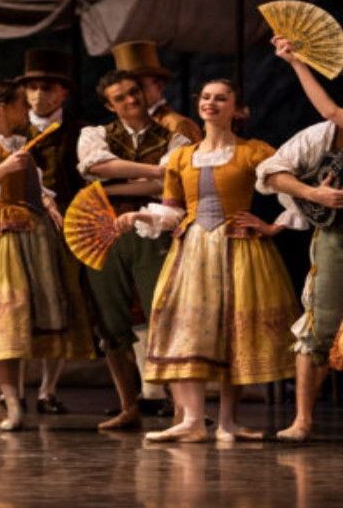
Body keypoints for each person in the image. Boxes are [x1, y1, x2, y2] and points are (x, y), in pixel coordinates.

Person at [120, 79, 297, 442]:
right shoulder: (182, 157)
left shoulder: (255, 151)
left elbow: (292, 191)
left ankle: (228, 422)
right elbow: (171, 213)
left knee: (233, 330)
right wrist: (141, 217)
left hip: (239, 248)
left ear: (237, 109)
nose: (211, 103)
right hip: (193, 249)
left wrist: (272, 226)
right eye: (205, 97)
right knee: (186, 326)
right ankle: (193, 420)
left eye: (221, 98)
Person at [0, 80, 84, 431]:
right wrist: (0, 171)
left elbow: (34, 182)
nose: (29, 109)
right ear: (3, 108)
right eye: (23, 103)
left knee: (22, 324)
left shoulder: (20, 143)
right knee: (5, 322)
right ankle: (8, 402)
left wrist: (49, 201)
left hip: (31, 233)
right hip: (2, 239)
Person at [76, 70, 190, 430]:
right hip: (103, 232)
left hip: (152, 229)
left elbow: (173, 182)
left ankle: (180, 409)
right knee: (111, 322)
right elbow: (95, 166)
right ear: (110, 105)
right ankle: (129, 406)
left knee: (163, 317)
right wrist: (153, 172)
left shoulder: (177, 138)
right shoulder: (94, 134)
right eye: (120, 97)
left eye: (133, 92)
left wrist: (112, 187)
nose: (130, 100)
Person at [256, 35, 343, 441]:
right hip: (337, 237)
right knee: (319, 324)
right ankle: (303, 420)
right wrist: (313, 194)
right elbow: (271, 174)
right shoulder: (320, 136)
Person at [12, 48, 96, 414]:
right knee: (18, 304)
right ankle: (9, 390)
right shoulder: (13, 130)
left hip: (66, 226)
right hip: (20, 226)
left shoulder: (80, 131)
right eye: (31, 88)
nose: (37, 95)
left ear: (63, 92)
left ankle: (48, 390)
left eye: (46, 88)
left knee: (62, 299)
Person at [112, 41, 202, 144]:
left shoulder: (177, 125)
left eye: (139, 87)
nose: (132, 98)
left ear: (159, 86)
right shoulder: (124, 129)